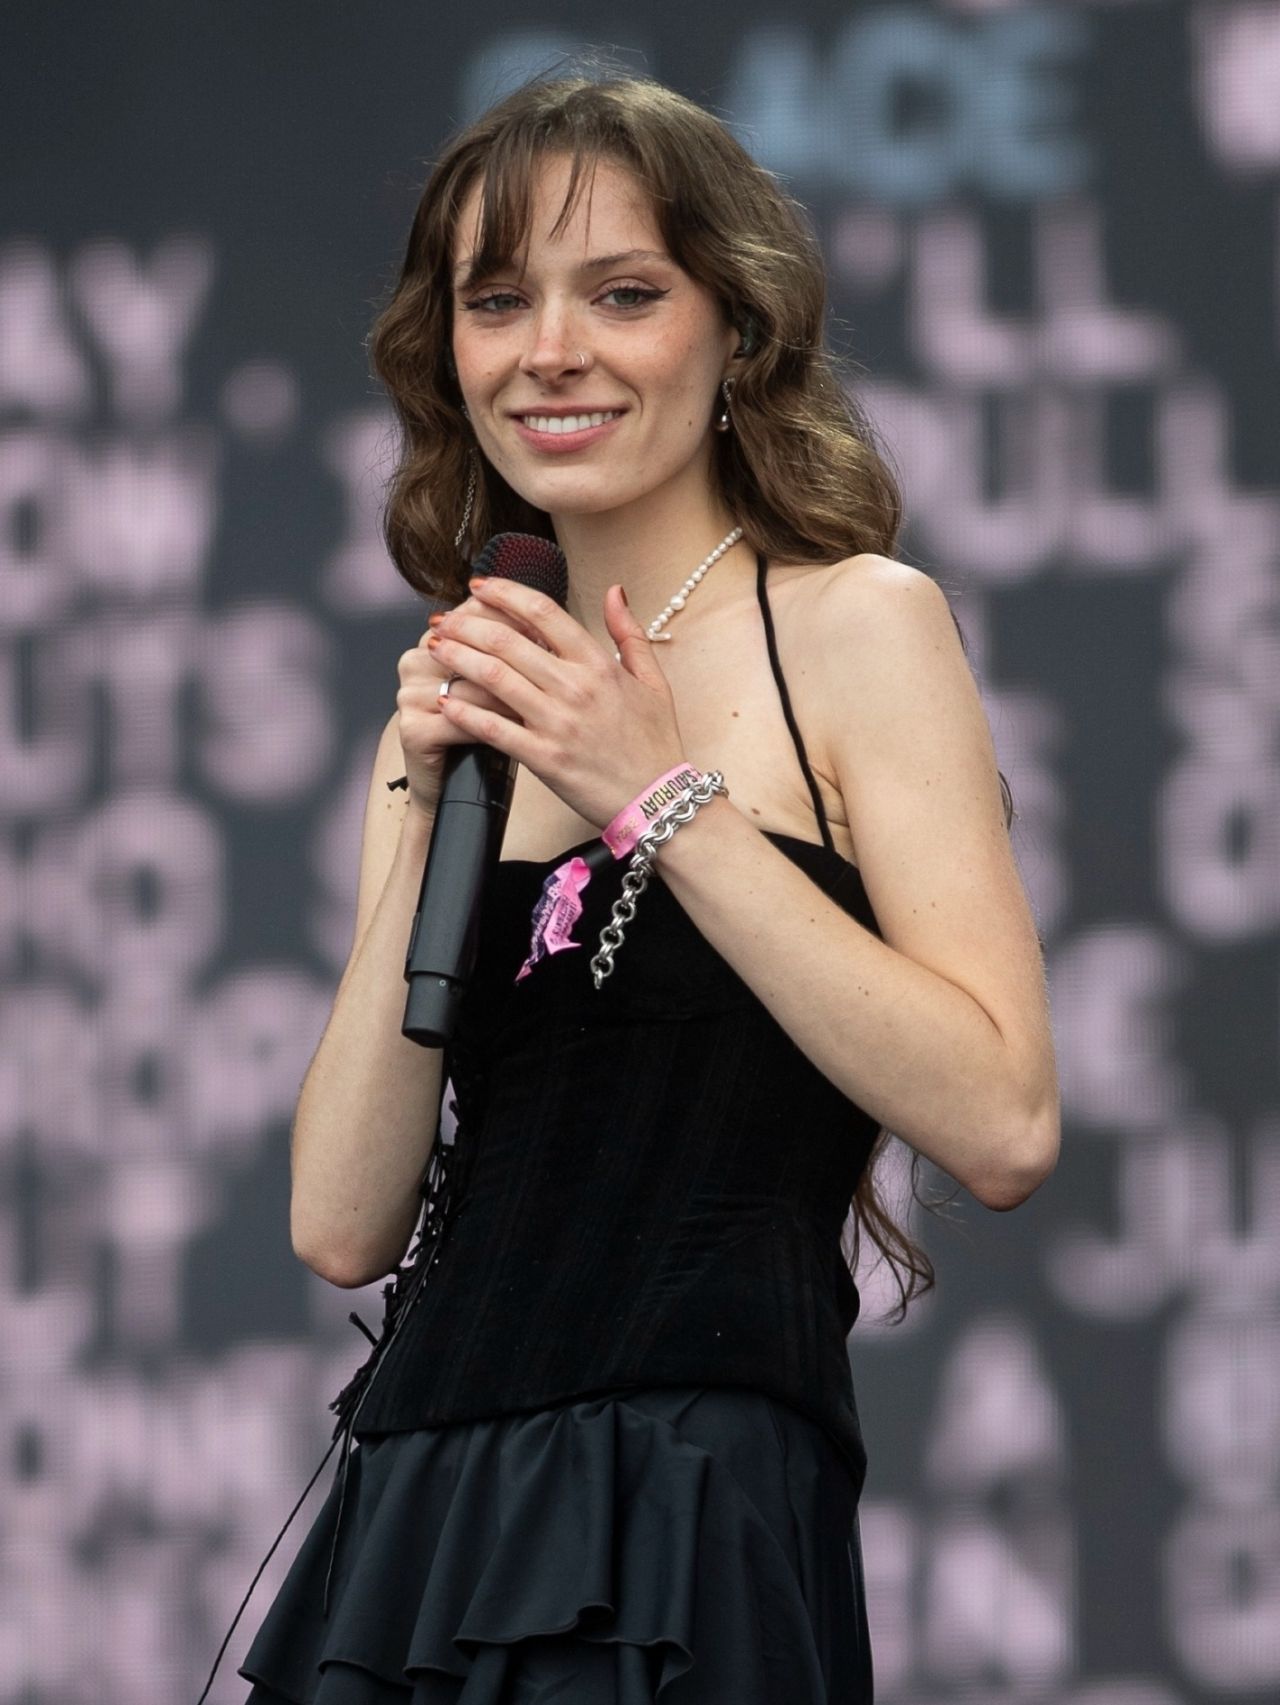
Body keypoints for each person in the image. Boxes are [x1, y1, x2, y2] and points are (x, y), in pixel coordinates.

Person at [208, 66, 1059, 1705]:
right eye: (498, 300)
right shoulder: (454, 693)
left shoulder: (859, 625)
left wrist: (652, 793)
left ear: (736, 331)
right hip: (420, 1506)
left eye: (624, 293)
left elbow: (1005, 1119)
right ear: (446, 354)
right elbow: (338, 1221)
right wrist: (428, 803)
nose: (552, 351)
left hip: (689, 1486)